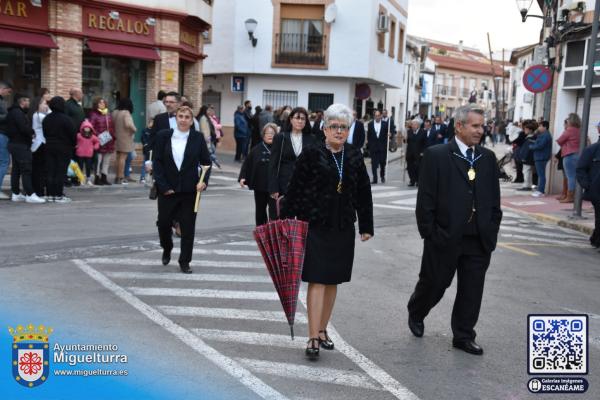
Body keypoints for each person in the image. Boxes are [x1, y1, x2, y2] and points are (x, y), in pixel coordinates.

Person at [407, 104, 502, 356]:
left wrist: (491, 229)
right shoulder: (437, 155)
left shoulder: (488, 158)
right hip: (444, 236)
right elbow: (425, 200)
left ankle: (463, 335)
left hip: (478, 239)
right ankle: (417, 311)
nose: (481, 130)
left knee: (472, 290)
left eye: (482, 126)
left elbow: (494, 200)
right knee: (435, 284)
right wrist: (431, 233)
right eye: (475, 125)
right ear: (459, 126)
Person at [281, 103, 373, 359]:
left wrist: (366, 225)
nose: (339, 131)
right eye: (334, 126)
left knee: (333, 279)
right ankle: (312, 336)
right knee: (318, 278)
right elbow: (295, 189)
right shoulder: (311, 154)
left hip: (342, 225)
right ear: (324, 129)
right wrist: (287, 221)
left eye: (344, 127)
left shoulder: (354, 155)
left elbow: (363, 192)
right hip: (316, 225)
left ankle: (322, 330)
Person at [152, 105, 212, 274]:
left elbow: (206, 163)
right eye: (181, 116)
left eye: (187, 117)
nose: (184, 119)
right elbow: (157, 163)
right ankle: (167, 247)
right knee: (163, 223)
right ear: (176, 118)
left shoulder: (197, 138)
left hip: (190, 190)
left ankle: (184, 261)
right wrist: (164, 186)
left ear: (191, 120)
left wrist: (204, 182)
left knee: (188, 227)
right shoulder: (163, 136)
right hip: (167, 189)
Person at [268, 107, 316, 200]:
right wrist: (273, 187)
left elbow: (314, 164)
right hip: (284, 184)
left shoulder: (311, 139)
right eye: (297, 118)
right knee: (285, 214)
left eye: (303, 119)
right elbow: (273, 164)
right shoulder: (280, 138)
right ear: (291, 119)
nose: (300, 121)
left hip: (305, 185)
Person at [6, 94, 45, 203]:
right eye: (27, 101)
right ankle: (30, 194)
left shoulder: (13, 112)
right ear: (22, 102)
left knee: (17, 170)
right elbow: (23, 128)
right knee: (26, 170)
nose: (29, 103)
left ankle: (16, 193)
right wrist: (32, 132)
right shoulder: (18, 113)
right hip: (20, 145)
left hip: (15, 144)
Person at [239, 123, 277, 225]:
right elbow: (247, 164)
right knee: (260, 211)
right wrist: (243, 177)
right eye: (267, 133)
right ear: (263, 135)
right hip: (259, 185)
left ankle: (274, 235)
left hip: (274, 186)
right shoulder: (256, 149)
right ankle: (261, 234)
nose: (270, 135)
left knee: (274, 212)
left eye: (272, 133)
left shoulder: (280, 148)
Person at [42, 96, 77, 203]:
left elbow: (45, 133)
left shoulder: (46, 118)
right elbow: (73, 135)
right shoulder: (67, 119)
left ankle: (49, 194)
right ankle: (58, 194)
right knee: (60, 171)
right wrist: (72, 145)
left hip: (49, 146)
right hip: (64, 147)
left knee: (50, 170)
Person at [576, 138, 600, 249]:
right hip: (597, 191)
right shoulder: (592, 149)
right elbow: (580, 169)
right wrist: (588, 185)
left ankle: (596, 239)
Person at [556, 113, 583, 203]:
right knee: (575, 176)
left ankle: (569, 196)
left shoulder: (569, 130)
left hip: (569, 155)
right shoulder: (580, 130)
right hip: (579, 155)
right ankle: (575, 195)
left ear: (570, 120)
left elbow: (559, 140)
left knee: (570, 176)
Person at [88, 97, 115, 185]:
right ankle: (97, 177)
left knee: (106, 161)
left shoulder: (108, 114)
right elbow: (91, 127)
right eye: (100, 103)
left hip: (109, 140)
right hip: (99, 140)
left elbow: (112, 127)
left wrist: (113, 136)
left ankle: (104, 177)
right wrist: (97, 136)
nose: (102, 104)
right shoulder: (93, 114)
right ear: (96, 104)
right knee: (98, 160)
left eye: (103, 103)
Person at [112, 98, 137, 185]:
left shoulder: (115, 112)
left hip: (116, 137)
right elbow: (128, 124)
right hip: (125, 137)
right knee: (123, 158)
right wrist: (134, 129)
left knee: (118, 157)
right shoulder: (126, 113)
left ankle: (117, 176)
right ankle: (121, 177)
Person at [29, 95, 50, 198]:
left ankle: (37, 190)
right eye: (44, 103)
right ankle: (39, 191)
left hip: (36, 144)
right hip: (40, 144)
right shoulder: (40, 116)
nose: (46, 106)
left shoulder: (35, 114)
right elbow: (51, 118)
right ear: (38, 105)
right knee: (39, 170)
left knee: (37, 170)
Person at [529, 121, 553, 197]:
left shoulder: (546, 135)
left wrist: (531, 147)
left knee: (541, 175)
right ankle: (539, 189)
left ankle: (541, 191)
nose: (539, 128)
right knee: (540, 174)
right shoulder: (542, 134)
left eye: (540, 126)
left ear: (545, 127)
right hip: (539, 156)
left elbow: (540, 145)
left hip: (541, 157)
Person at [366, 109, 389, 184]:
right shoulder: (370, 124)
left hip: (382, 147)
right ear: (374, 116)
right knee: (374, 164)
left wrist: (390, 135)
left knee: (382, 162)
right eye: (376, 116)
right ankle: (375, 178)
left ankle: (382, 176)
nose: (377, 117)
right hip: (374, 148)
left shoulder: (385, 124)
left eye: (378, 115)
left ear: (381, 116)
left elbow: (388, 134)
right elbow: (369, 136)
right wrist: (369, 145)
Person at [76, 120, 100, 186]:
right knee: (80, 167)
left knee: (88, 167)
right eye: (85, 127)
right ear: (82, 128)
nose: (87, 129)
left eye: (88, 127)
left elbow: (97, 142)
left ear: (91, 128)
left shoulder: (92, 136)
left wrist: (95, 147)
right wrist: (76, 145)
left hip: (89, 154)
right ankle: (80, 180)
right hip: (80, 153)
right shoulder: (79, 135)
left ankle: (88, 179)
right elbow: (74, 140)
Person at [516, 120, 537, 191]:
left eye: (526, 129)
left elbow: (527, 149)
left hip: (528, 158)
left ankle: (527, 186)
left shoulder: (531, 138)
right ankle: (528, 185)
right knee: (528, 171)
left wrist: (524, 157)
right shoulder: (530, 137)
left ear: (530, 130)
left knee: (526, 171)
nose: (524, 130)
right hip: (528, 158)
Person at [0, 81, 13, 199]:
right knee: (4, 162)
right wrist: (9, 116)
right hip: (1, 134)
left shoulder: (2, 101)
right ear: (3, 89)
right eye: (8, 92)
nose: (8, 94)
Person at [405, 118, 427, 187]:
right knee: (410, 168)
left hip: (418, 153)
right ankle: (412, 180)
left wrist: (423, 152)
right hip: (410, 153)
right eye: (412, 124)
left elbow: (425, 143)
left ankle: (418, 181)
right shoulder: (409, 131)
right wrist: (404, 139)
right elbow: (407, 141)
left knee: (418, 168)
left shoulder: (423, 132)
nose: (413, 126)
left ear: (418, 125)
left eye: (414, 124)